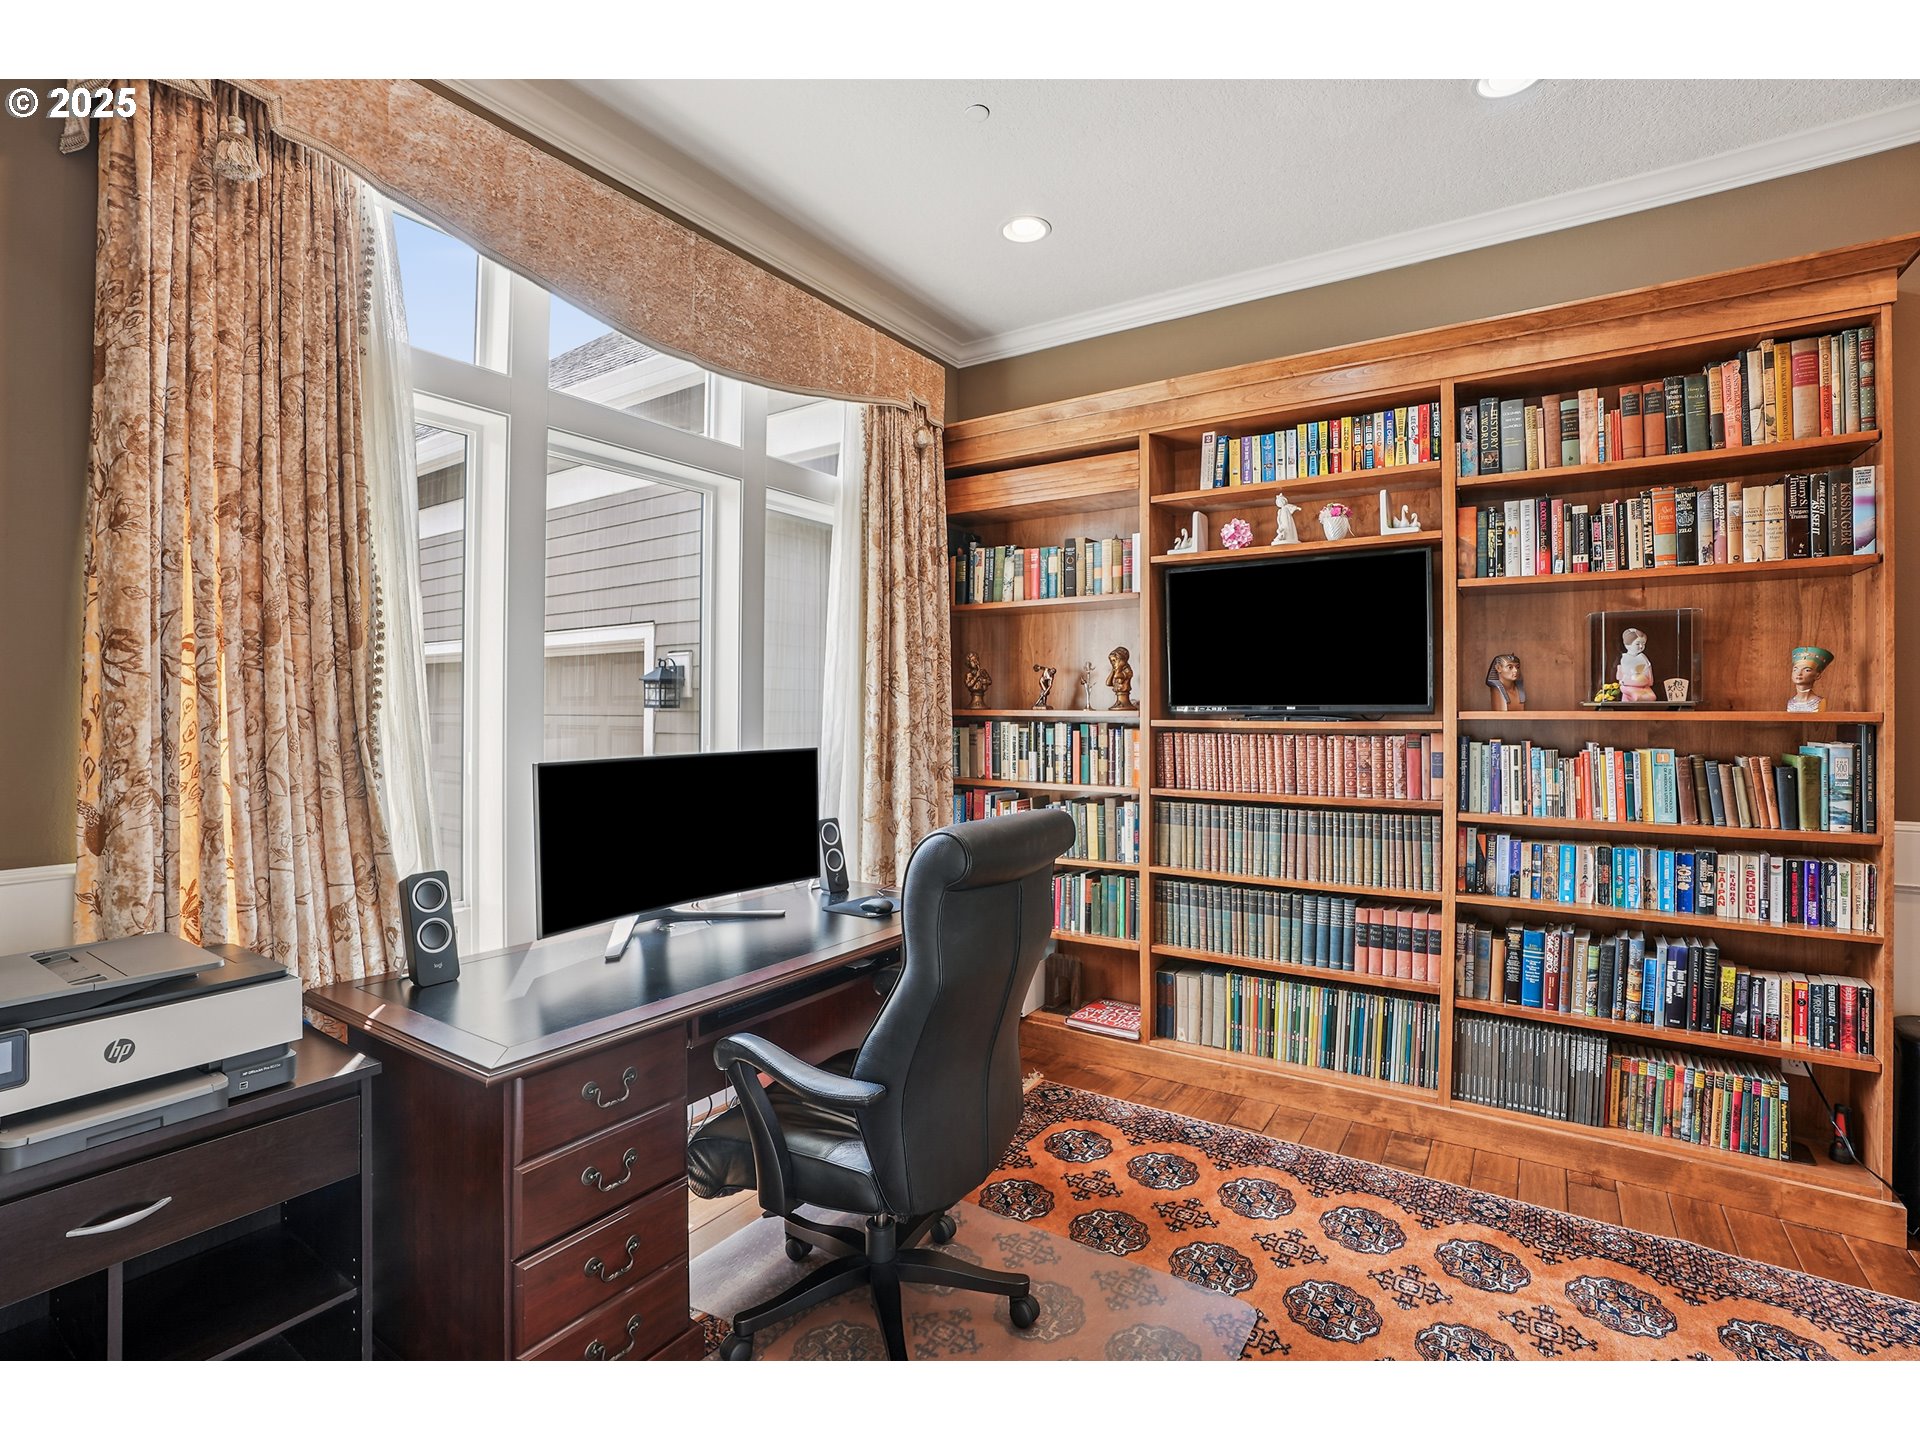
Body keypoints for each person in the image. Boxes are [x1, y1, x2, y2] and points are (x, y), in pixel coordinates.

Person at [1787, 644, 1833, 713]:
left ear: (1817, 675)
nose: (1799, 673)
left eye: (1807, 670)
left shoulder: (1819, 702)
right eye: (1795, 669)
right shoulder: (1790, 703)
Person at [1616, 628, 1656, 703]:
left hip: (1643, 685)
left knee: (1650, 697)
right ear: (1627, 645)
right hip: (1629, 686)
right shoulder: (1625, 658)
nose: (1641, 646)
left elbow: (1648, 674)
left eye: (1643, 644)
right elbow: (1622, 676)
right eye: (1637, 644)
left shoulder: (1643, 658)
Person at [1106, 646, 1137, 711]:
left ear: (1122, 660)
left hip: (1125, 698)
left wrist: (1118, 667)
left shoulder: (1127, 671)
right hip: (1119, 696)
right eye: (1111, 661)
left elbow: (1116, 676)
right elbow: (1108, 683)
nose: (1112, 664)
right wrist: (1113, 670)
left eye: (1114, 661)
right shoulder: (1117, 670)